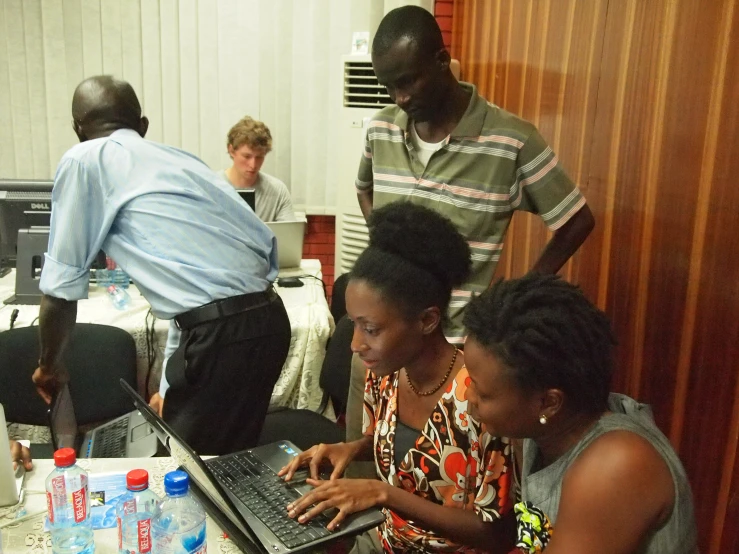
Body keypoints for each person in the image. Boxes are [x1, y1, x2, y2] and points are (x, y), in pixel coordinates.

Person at [32, 75, 291, 456]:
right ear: (142, 126)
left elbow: (59, 292)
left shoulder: (83, 159)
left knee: (195, 471)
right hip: (267, 322)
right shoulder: (180, 160)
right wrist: (169, 390)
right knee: (224, 460)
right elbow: (194, 300)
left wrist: (48, 366)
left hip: (222, 335)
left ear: (77, 129)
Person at [280, 203, 515, 553]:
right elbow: (399, 450)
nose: (356, 344)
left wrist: (384, 494)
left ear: (427, 320)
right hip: (388, 541)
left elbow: (495, 535)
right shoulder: (386, 373)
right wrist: (352, 448)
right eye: (354, 325)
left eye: (370, 329)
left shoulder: (480, 398)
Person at [356, 6, 595, 345]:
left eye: (408, 81)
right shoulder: (381, 128)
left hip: (458, 347)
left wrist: (517, 294)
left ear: (442, 60)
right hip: (387, 342)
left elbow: (577, 221)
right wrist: (384, 243)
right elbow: (363, 189)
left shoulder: (512, 140)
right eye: (389, 87)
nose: (400, 98)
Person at [462, 274, 699, 553]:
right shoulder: (540, 431)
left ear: (549, 403)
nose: (469, 398)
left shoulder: (615, 465)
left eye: (483, 392)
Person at [221, 116, 295, 222]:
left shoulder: (277, 191)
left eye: (259, 157)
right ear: (231, 150)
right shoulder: (211, 186)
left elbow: (289, 236)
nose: (253, 164)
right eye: (247, 156)